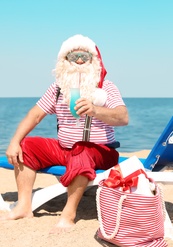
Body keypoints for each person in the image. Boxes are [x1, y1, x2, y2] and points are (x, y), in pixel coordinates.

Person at [2, 34, 128, 233]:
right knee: (26, 146)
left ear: (93, 60)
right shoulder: (58, 89)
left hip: (101, 152)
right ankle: (24, 206)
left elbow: (123, 117)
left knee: (81, 150)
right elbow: (35, 115)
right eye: (73, 56)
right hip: (65, 149)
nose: (79, 61)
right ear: (64, 61)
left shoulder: (106, 87)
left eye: (84, 56)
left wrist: (96, 110)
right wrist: (15, 141)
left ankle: (68, 214)